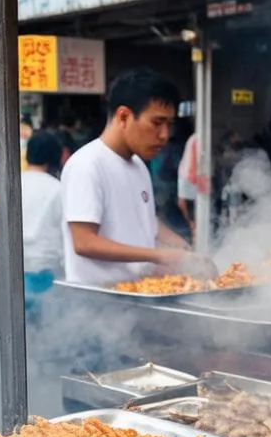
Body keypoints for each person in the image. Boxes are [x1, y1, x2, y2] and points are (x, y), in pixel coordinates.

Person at [61, 68, 208, 286]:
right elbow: (84, 242)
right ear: (124, 117)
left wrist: (178, 245)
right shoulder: (87, 165)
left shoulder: (138, 165)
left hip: (137, 293)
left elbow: (144, 219)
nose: (165, 135)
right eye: (157, 123)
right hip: (98, 302)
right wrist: (158, 255)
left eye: (169, 124)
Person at [0, 130, 65, 322]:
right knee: (43, 331)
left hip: (11, 266)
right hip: (44, 268)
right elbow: (65, 233)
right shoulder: (57, 188)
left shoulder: (11, 183)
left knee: (17, 328)